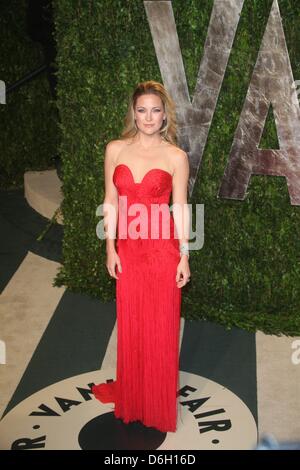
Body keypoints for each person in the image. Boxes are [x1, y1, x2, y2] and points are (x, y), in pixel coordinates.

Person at [92, 80, 191, 433]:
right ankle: (134, 396)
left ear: (165, 115)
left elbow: (180, 208)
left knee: (161, 326)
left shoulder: (176, 157)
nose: (148, 117)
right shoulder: (115, 149)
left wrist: (184, 256)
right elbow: (109, 201)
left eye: (155, 110)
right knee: (132, 324)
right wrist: (110, 247)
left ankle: (157, 403)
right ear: (133, 113)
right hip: (129, 251)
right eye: (142, 110)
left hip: (162, 249)